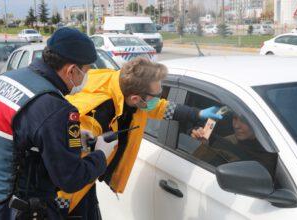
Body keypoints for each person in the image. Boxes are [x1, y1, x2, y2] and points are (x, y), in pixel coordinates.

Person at [57, 57, 223, 219]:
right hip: (68, 192)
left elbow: (157, 107)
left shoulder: (121, 85)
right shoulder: (93, 118)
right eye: (156, 94)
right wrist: (60, 209)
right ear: (136, 99)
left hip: (87, 182)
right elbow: (67, 172)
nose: (159, 98)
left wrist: (197, 113)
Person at [0, 27, 115, 219]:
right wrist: (101, 156)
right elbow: (70, 178)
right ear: (71, 70)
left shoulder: (2, 80)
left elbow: (18, 136)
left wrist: (73, 139)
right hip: (18, 210)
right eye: (86, 71)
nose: (86, 77)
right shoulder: (56, 109)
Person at [191, 113, 277, 175]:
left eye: (243, 120)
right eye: (235, 118)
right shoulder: (226, 143)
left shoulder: (274, 150)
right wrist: (204, 146)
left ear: (258, 122)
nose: (236, 126)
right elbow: (194, 167)